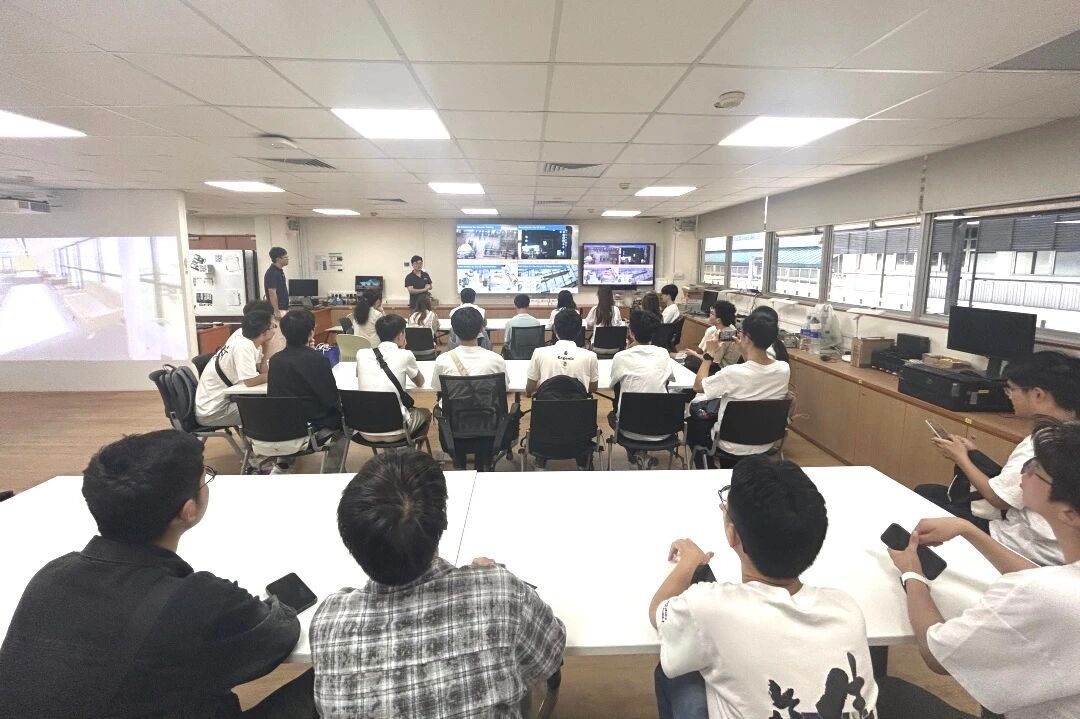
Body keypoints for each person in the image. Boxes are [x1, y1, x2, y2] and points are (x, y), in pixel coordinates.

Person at [0, 431, 313, 718]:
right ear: (188, 510)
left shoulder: (51, 575)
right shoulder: (197, 598)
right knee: (326, 675)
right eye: (204, 478)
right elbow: (278, 636)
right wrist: (274, 603)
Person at [310, 449, 566, 718]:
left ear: (349, 540)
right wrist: (488, 583)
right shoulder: (501, 592)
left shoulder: (328, 622)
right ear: (442, 522)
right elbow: (550, 652)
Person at [650, 456, 878, 719]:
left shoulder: (710, 608)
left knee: (677, 670)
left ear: (732, 535)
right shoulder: (847, 610)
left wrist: (689, 562)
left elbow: (658, 612)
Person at [885, 419, 1080, 719]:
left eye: (1034, 469)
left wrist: (912, 574)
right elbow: (1041, 577)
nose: (1023, 473)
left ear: (1068, 513)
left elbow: (936, 654)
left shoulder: (1038, 594)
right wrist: (968, 530)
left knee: (886, 692)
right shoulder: (1058, 580)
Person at [916, 351, 1080, 566]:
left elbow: (998, 498)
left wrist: (960, 457)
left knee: (923, 498)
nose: (1008, 396)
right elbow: (1014, 483)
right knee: (930, 491)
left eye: (1011, 389)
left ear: (1038, 394)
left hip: (1020, 544)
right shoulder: (1070, 435)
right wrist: (974, 455)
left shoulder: (1043, 444)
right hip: (1049, 544)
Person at [688, 311, 790, 468]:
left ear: (747, 338)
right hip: (765, 441)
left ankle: (708, 468)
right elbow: (755, 371)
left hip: (732, 444)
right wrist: (744, 350)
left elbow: (698, 386)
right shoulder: (784, 369)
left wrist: (709, 354)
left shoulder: (732, 373)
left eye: (740, 331)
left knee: (693, 423)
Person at [267, 308, 346, 473]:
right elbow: (331, 399)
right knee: (343, 421)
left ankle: (283, 463)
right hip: (310, 428)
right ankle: (332, 471)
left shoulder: (275, 361)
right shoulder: (317, 360)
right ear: (311, 333)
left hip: (279, 427)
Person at [431, 307, 509, 470]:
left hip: (455, 428)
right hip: (489, 424)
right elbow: (505, 388)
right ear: (481, 329)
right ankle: (483, 463)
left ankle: (460, 463)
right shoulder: (496, 359)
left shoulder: (443, 360)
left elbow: (438, 388)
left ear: (453, 330)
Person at [610, 309, 675, 469]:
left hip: (629, 428)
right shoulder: (663, 354)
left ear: (631, 332)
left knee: (613, 411)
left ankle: (636, 454)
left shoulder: (621, 357)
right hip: (664, 428)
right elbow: (669, 380)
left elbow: (613, 384)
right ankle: (641, 455)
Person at [354, 313, 430, 443]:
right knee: (425, 413)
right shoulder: (405, 355)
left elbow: (359, 375)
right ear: (401, 335)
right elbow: (420, 382)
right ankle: (412, 452)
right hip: (397, 430)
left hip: (365, 430)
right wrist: (403, 350)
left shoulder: (361, 354)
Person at [195, 310, 275, 427]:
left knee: (268, 406)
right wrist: (277, 374)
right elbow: (250, 381)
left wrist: (267, 347)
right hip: (214, 412)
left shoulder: (248, 342)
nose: (275, 330)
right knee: (271, 411)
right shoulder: (244, 347)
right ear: (264, 332)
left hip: (221, 403)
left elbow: (262, 371)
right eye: (273, 326)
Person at [526, 308, 598, 397]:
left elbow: (530, 388)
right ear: (579, 330)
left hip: (547, 405)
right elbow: (593, 388)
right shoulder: (591, 356)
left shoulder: (539, 353)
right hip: (578, 405)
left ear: (554, 329)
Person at [684, 300, 740, 373]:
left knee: (690, 360)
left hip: (720, 370)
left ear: (718, 320)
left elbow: (712, 362)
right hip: (718, 365)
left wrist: (693, 353)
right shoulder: (727, 329)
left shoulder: (724, 336)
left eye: (712, 314)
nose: (709, 315)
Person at [263, 246, 290, 359]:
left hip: (283, 308)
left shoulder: (279, 272)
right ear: (278, 259)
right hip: (278, 310)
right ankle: (274, 362)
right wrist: (276, 311)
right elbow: (272, 293)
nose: (288, 259)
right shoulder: (272, 273)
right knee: (277, 339)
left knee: (283, 338)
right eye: (285, 257)